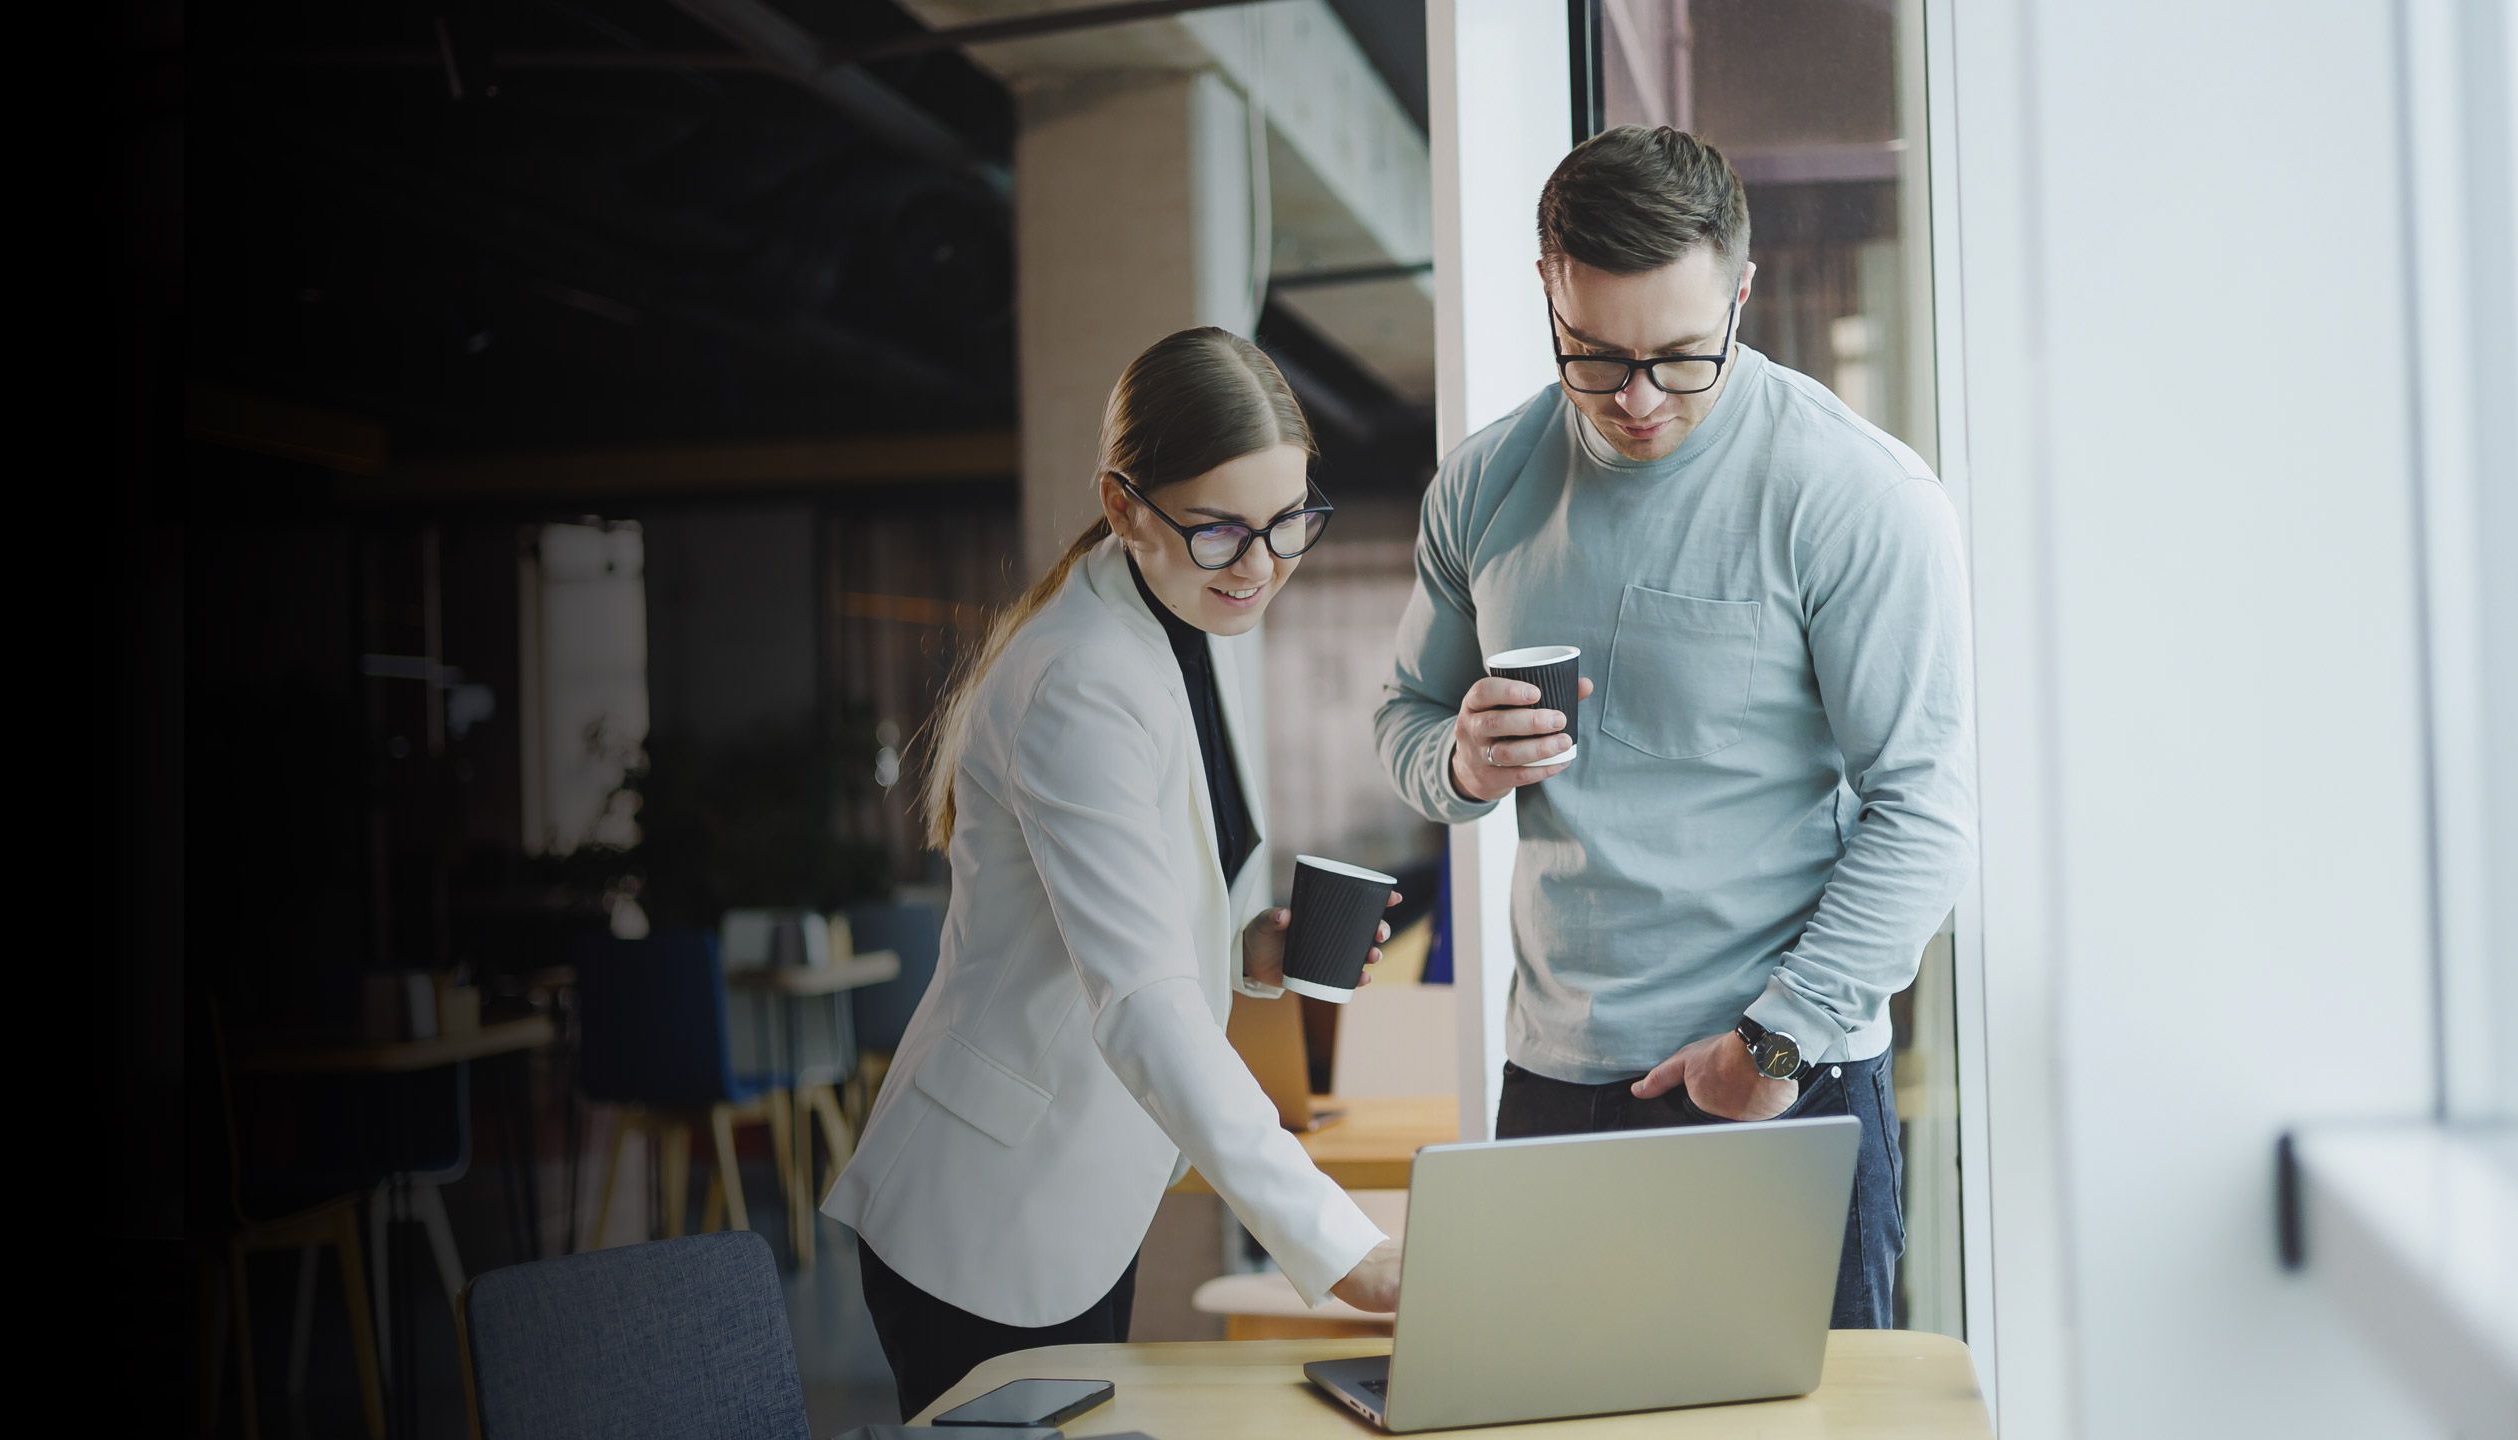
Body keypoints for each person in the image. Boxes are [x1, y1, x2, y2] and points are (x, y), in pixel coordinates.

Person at [1371, 124, 1976, 1329]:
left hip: (1775, 1084)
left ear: (1742, 295)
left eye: (1684, 357)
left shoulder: (1855, 496)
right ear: (1548, 287)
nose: (1638, 401)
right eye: (1594, 356)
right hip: (1550, 1090)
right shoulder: (1483, 486)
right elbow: (1405, 722)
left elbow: (1927, 811)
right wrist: (1458, 759)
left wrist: (1776, 1048)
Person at [821, 326, 1407, 1418]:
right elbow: (1141, 1006)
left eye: (1290, 522)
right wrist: (1341, 1248)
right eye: (1224, 529)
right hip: (989, 1218)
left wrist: (1248, 950)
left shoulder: (1170, 607)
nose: (1264, 565)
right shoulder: (1079, 680)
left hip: (1069, 1192)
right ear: (1125, 501)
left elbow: (1110, 914)